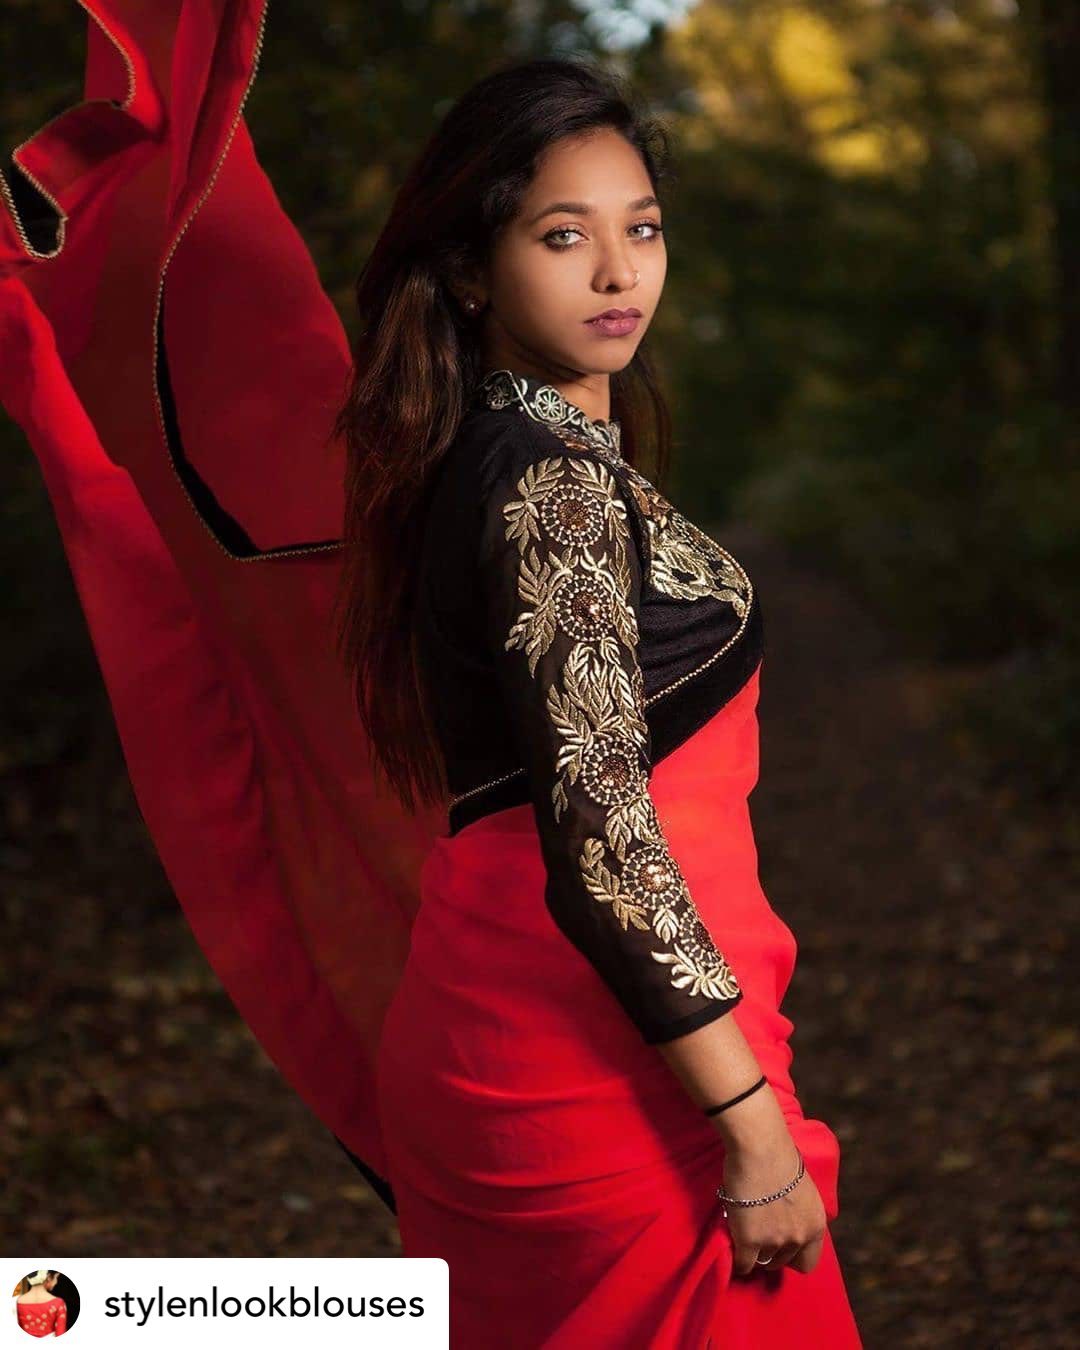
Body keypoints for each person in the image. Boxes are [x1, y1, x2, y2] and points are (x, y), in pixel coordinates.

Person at [0, 8, 861, 1346]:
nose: (618, 269)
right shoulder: (552, 484)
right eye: (562, 235)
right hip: (614, 1081)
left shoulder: (483, 452)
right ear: (470, 263)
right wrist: (750, 1128)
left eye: (641, 226)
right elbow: (604, 835)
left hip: (520, 1045)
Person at [14, 1270, 67, 1338]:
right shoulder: (58, 1303)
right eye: (56, 1277)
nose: (56, 1282)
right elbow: (60, 1333)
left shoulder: (17, 1301)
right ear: (48, 1277)